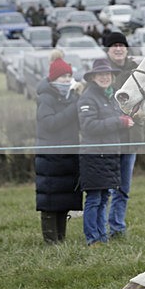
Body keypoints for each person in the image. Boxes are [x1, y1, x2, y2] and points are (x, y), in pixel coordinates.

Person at [77, 58, 133, 246]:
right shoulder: (87, 98)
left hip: (110, 155)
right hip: (94, 155)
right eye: (101, 74)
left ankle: (102, 236)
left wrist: (128, 120)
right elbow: (89, 126)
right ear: (93, 77)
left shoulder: (111, 97)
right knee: (93, 199)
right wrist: (119, 122)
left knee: (104, 197)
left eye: (107, 74)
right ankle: (93, 239)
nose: (105, 77)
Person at [35, 52, 83, 244]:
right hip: (50, 156)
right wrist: (75, 107)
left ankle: (60, 239)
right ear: (54, 78)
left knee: (64, 199)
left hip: (69, 155)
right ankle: (50, 240)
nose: (67, 80)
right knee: (50, 200)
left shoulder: (71, 97)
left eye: (69, 76)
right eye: (63, 77)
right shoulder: (46, 98)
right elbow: (50, 123)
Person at [103, 31, 140, 238]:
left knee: (123, 189)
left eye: (121, 45)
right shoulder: (101, 71)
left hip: (131, 139)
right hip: (108, 139)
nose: (118, 48)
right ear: (108, 50)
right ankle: (101, 229)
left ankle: (117, 227)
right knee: (106, 189)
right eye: (113, 45)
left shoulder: (135, 69)